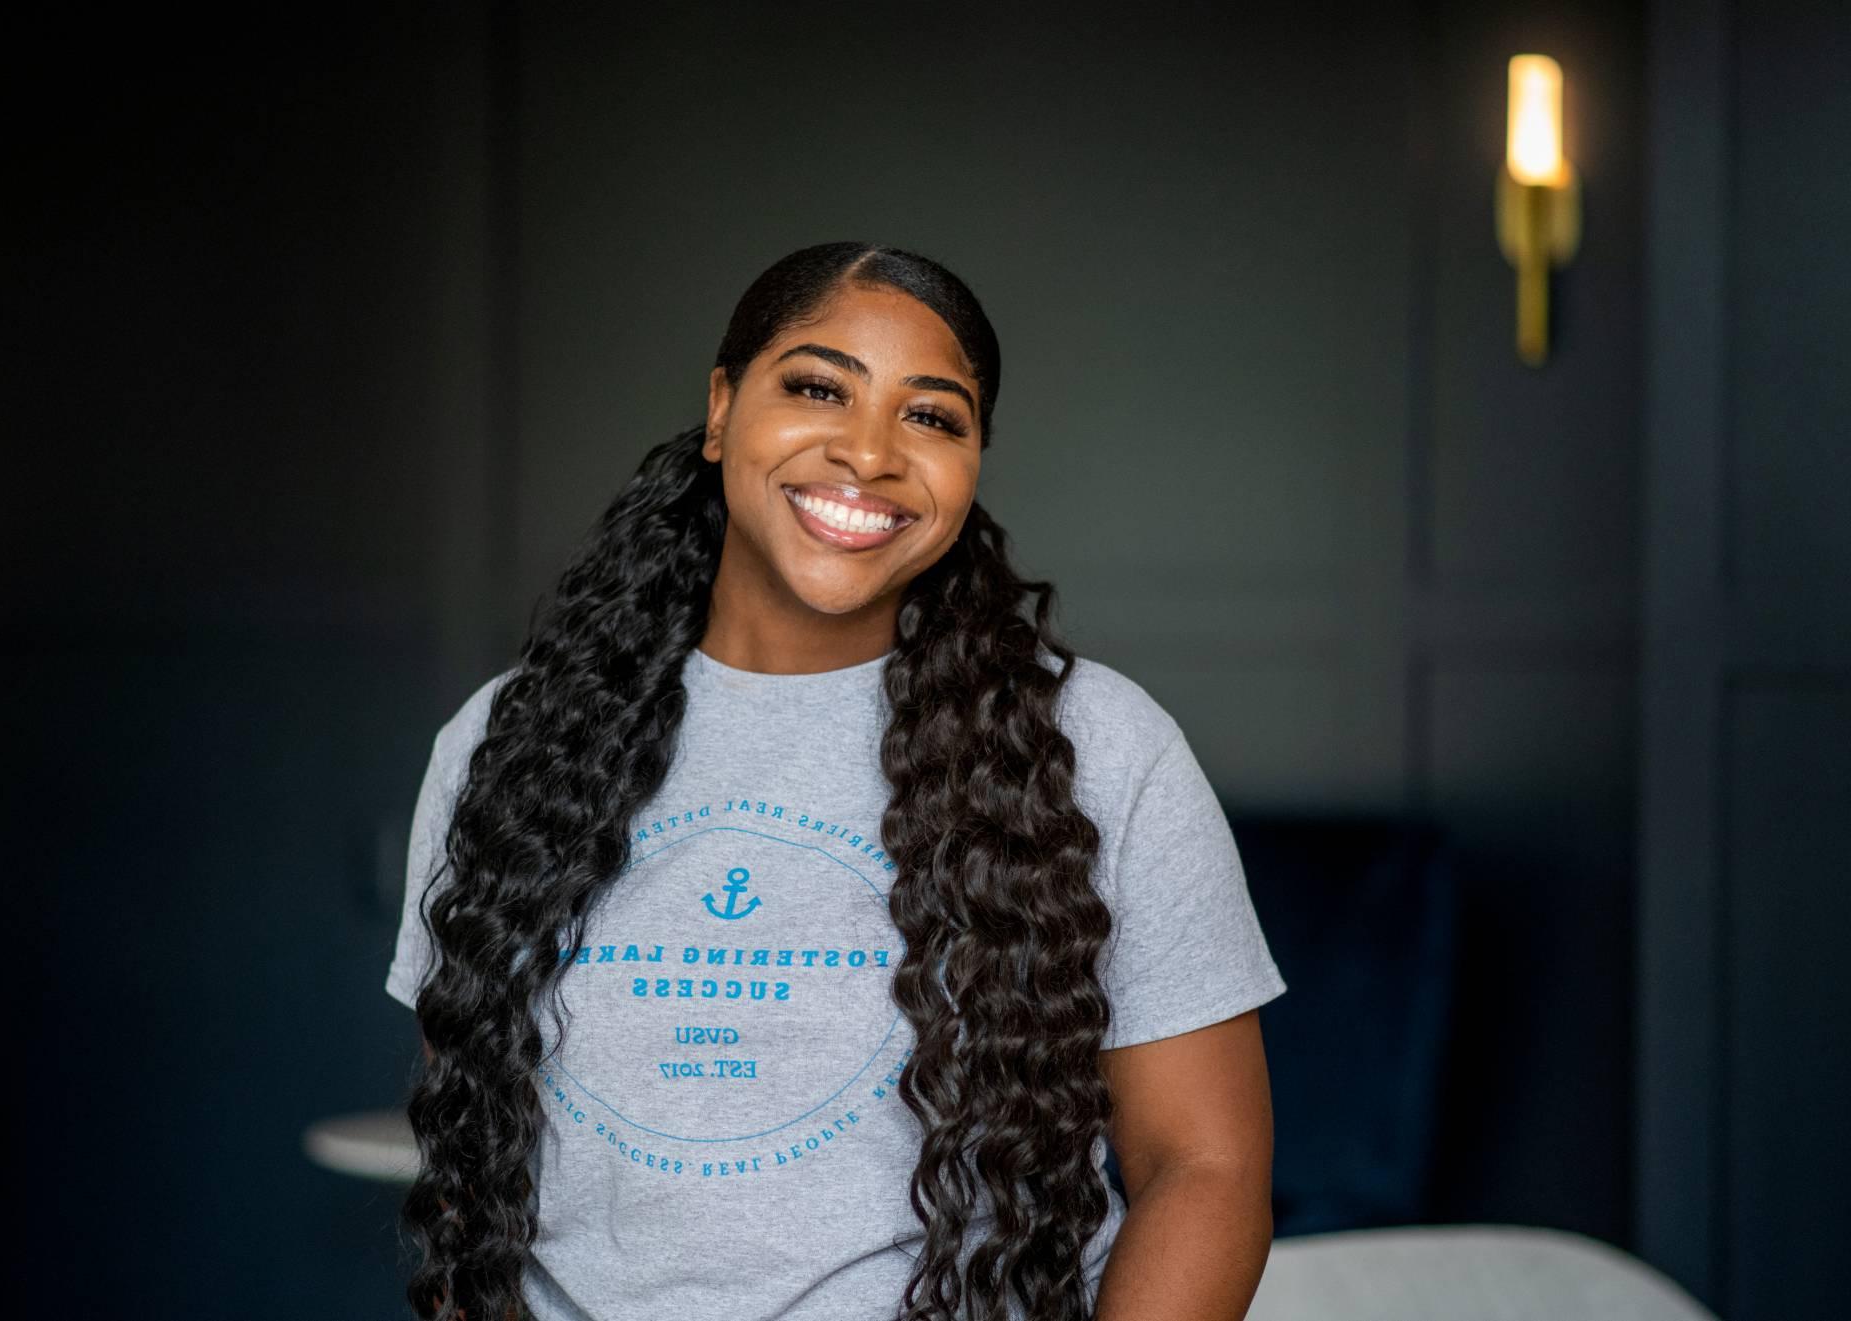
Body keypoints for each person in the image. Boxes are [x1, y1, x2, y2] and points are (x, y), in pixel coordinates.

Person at [385, 240, 1287, 1321]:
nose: (867, 453)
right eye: (817, 388)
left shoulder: (1096, 747)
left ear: (973, 464)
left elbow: (1205, 1169)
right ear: (721, 410)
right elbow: (470, 1152)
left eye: (932, 417)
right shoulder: (507, 740)